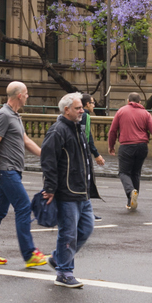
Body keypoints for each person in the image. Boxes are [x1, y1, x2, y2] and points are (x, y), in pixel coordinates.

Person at [0, 81, 47, 268]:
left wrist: (44, 155)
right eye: (26, 93)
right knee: (23, 207)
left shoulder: (15, 116)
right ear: (18, 95)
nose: (28, 96)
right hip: (6, 170)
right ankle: (29, 253)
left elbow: (25, 140)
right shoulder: (3, 115)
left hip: (12, 169)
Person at [38, 91, 97, 288]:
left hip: (82, 191)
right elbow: (48, 161)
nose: (82, 110)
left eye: (82, 107)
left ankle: (58, 258)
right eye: (78, 108)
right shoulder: (57, 131)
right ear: (66, 110)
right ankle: (64, 272)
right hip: (67, 191)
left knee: (86, 228)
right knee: (68, 233)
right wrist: (50, 188)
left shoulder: (78, 128)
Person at [106, 94, 152, 213]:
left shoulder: (121, 111)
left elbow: (113, 130)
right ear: (140, 102)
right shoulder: (146, 113)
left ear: (128, 100)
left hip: (127, 146)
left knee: (124, 172)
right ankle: (131, 202)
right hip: (142, 146)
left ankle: (131, 192)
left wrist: (111, 146)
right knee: (136, 173)